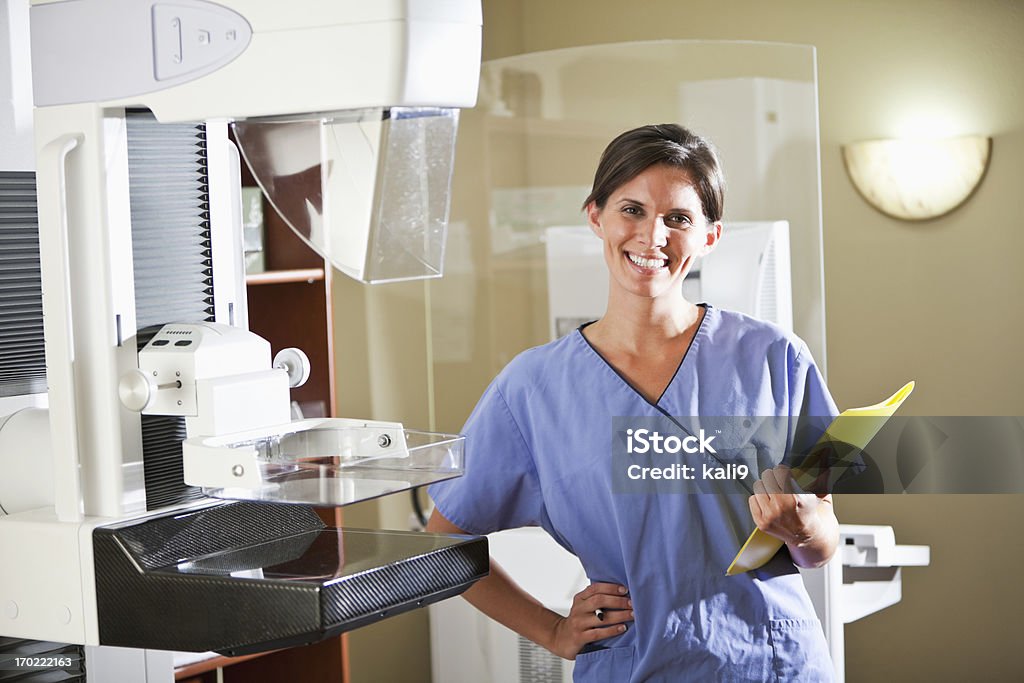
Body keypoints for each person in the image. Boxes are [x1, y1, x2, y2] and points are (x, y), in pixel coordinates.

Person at [427, 124, 839, 681]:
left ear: (711, 236)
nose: (653, 237)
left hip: (770, 663)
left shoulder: (773, 358)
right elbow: (444, 542)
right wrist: (550, 630)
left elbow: (820, 545)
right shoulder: (533, 389)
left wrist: (802, 529)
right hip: (634, 666)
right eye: (632, 210)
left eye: (678, 218)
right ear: (595, 216)